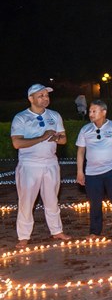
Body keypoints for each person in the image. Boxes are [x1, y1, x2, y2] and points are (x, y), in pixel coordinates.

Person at [12, 84, 70, 248]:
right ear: (31, 98)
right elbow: (17, 143)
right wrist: (42, 137)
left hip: (50, 163)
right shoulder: (21, 117)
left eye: (47, 95)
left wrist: (56, 139)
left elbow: (64, 139)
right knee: (26, 201)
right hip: (29, 165)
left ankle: (56, 231)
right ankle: (23, 236)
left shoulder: (54, 115)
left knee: (52, 199)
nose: (45, 98)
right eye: (41, 95)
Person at [76, 100, 112, 238]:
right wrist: (80, 172)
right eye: (90, 111)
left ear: (104, 112)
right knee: (94, 203)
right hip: (92, 173)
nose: (91, 114)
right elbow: (81, 151)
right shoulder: (85, 129)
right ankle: (94, 231)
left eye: (94, 111)